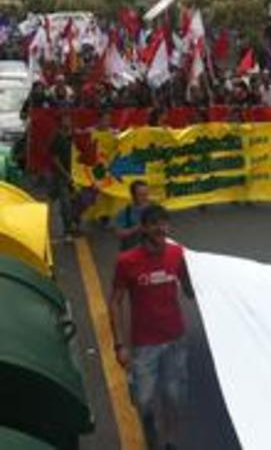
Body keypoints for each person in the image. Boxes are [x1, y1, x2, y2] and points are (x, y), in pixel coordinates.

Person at [110, 204, 193, 450]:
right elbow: (115, 302)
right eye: (155, 224)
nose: (161, 228)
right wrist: (119, 345)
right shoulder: (127, 261)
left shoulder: (178, 254)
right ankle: (149, 427)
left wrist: (201, 281)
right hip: (144, 345)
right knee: (144, 401)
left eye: (164, 223)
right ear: (144, 227)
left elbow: (190, 292)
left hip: (175, 338)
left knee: (174, 398)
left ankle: (167, 443)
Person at [50, 113, 79, 242]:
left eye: (69, 119)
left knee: (77, 201)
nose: (67, 122)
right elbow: (55, 159)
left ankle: (74, 224)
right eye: (65, 120)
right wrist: (66, 175)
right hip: (62, 176)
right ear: (60, 122)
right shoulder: (57, 137)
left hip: (76, 175)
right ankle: (67, 231)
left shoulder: (75, 136)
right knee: (65, 203)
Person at [115, 180, 150, 251]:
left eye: (146, 194)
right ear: (132, 195)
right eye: (141, 195)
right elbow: (120, 234)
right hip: (131, 252)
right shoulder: (124, 212)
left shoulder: (155, 209)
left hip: (151, 253)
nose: (145, 197)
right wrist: (138, 227)